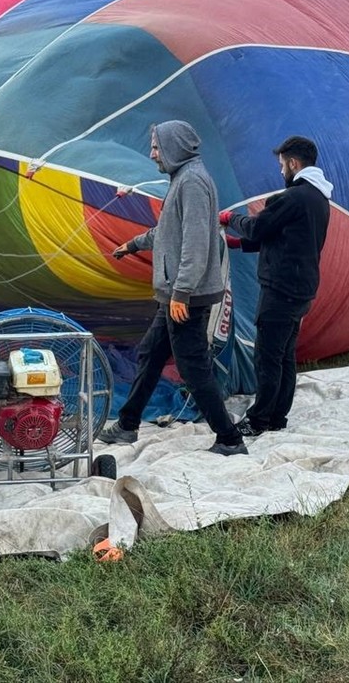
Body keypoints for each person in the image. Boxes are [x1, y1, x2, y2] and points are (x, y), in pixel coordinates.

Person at [98, 120, 248, 457]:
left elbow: (196, 242)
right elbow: (167, 232)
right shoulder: (182, 180)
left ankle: (229, 438)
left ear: (174, 147)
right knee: (151, 353)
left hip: (186, 298)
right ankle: (127, 424)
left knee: (193, 367)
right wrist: (133, 245)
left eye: (156, 147)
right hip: (176, 295)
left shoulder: (192, 182)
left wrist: (181, 292)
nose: (152, 155)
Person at [219, 135, 332, 436]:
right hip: (301, 287)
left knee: (267, 356)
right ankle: (277, 417)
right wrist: (238, 244)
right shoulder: (318, 198)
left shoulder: (292, 197)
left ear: (294, 163)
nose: (281, 171)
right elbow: (283, 239)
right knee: (283, 355)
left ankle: (258, 420)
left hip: (281, 289)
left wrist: (230, 219)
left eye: (282, 165)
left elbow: (259, 226)